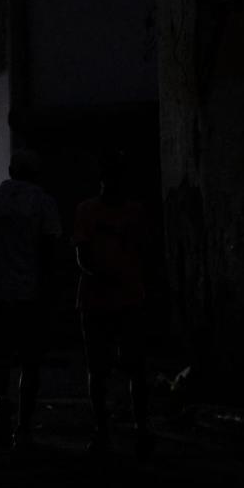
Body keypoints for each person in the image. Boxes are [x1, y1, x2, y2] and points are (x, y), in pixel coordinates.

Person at [0, 150, 61, 450]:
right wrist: (50, 292)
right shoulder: (44, 203)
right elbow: (50, 251)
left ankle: (1, 399)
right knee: (31, 363)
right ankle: (23, 424)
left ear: (10, 170)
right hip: (31, 296)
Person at [74, 150, 153, 458]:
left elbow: (144, 250)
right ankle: (114, 426)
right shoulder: (94, 211)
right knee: (104, 368)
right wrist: (106, 275)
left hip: (119, 297)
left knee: (127, 367)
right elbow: (82, 255)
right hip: (105, 298)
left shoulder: (124, 212)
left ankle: (133, 425)